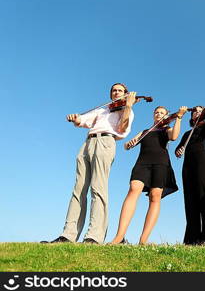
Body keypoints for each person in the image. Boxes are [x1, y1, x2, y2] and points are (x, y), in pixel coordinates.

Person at [44, 83, 136, 244]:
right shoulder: (103, 109)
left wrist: (128, 106)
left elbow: (122, 129)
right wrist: (75, 118)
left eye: (120, 90)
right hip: (87, 143)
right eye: (114, 90)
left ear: (126, 94)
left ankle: (94, 236)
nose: (116, 92)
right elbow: (82, 120)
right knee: (78, 189)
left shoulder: (126, 110)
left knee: (98, 188)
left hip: (106, 141)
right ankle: (68, 234)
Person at [110, 106, 187, 245]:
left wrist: (179, 117)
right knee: (133, 189)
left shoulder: (166, 130)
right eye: (156, 112)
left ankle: (143, 240)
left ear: (166, 116)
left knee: (155, 196)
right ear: (153, 115)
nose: (158, 114)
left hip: (160, 164)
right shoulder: (145, 131)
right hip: (142, 163)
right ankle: (119, 236)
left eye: (162, 113)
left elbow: (174, 137)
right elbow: (127, 146)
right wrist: (129, 144)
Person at [175, 97, 205, 245]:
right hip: (187, 166)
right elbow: (179, 148)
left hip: (202, 163)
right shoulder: (187, 133)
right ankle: (192, 238)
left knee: (202, 197)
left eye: (200, 111)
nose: (197, 113)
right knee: (190, 200)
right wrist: (178, 151)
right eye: (195, 111)